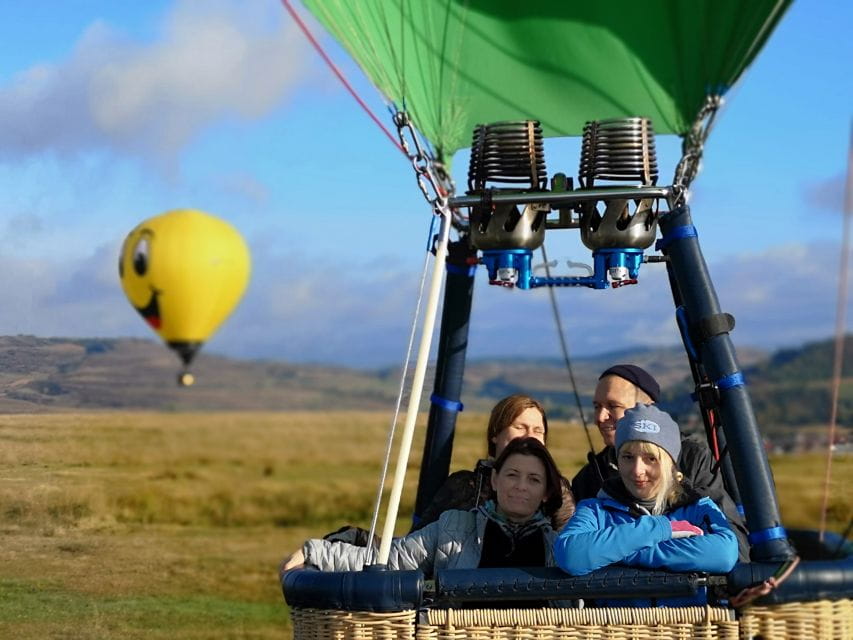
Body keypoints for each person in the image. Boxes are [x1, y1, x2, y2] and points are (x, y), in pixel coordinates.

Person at [281, 437, 565, 579]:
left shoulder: (559, 548)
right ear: (494, 479)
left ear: (546, 492)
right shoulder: (453, 527)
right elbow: (392, 560)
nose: (521, 486)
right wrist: (315, 551)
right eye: (512, 475)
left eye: (534, 479)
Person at [554, 404, 739, 606]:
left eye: (651, 458)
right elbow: (570, 554)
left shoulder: (699, 507)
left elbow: (724, 553)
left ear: (670, 462)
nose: (637, 470)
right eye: (627, 457)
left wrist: (617, 550)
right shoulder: (594, 509)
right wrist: (659, 529)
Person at [570, 364, 750, 560]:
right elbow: (573, 553)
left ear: (647, 408)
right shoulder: (587, 479)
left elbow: (730, 541)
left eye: (613, 406)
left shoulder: (691, 457)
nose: (600, 417)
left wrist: (736, 583)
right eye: (597, 407)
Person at [413, 394, 575, 532]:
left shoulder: (556, 489)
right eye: (520, 427)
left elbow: (568, 548)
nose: (530, 436)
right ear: (495, 433)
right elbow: (420, 542)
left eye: (538, 430)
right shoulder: (462, 484)